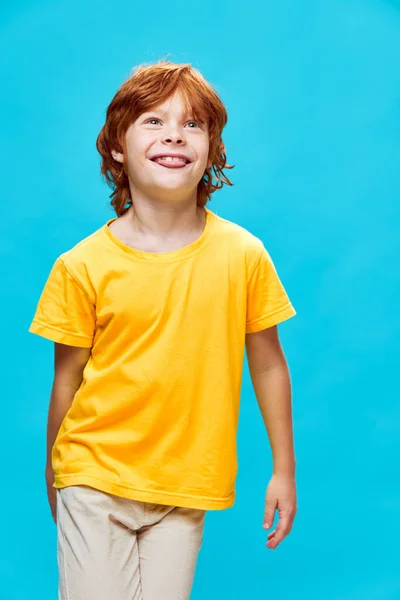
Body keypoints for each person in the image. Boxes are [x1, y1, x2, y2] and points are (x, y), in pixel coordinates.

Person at [28, 58, 297, 600]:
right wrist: (54, 471)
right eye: (153, 120)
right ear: (117, 148)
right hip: (94, 474)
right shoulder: (81, 265)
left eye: (192, 124)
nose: (174, 133)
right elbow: (67, 380)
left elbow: (267, 362)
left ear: (211, 152)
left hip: (185, 485)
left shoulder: (243, 254)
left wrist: (283, 469)